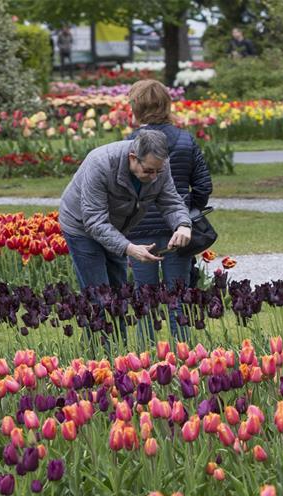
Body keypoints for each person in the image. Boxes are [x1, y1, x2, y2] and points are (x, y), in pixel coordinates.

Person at [59, 130, 192, 346]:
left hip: (117, 227)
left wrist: (183, 225)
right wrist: (129, 248)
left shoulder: (159, 166)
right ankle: (97, 360)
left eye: (159, 171)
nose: (154, 177)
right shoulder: (101, 163)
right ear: (133, 158)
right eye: (149, 171)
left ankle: (119, 354)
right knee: (99, 296)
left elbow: (171, 201)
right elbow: (94, 221)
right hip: (81, 226)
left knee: (118, 296)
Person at [126, 79, 213, 341]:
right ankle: (182, 350)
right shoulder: (185, 140)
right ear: (167, 104)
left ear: (136, 107)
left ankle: (144, 355)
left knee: (145, 295)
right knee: (178, 293)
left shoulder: (130, 143)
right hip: (179, 229)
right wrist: (190, 210)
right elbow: (203, 184)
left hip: (140, 229)